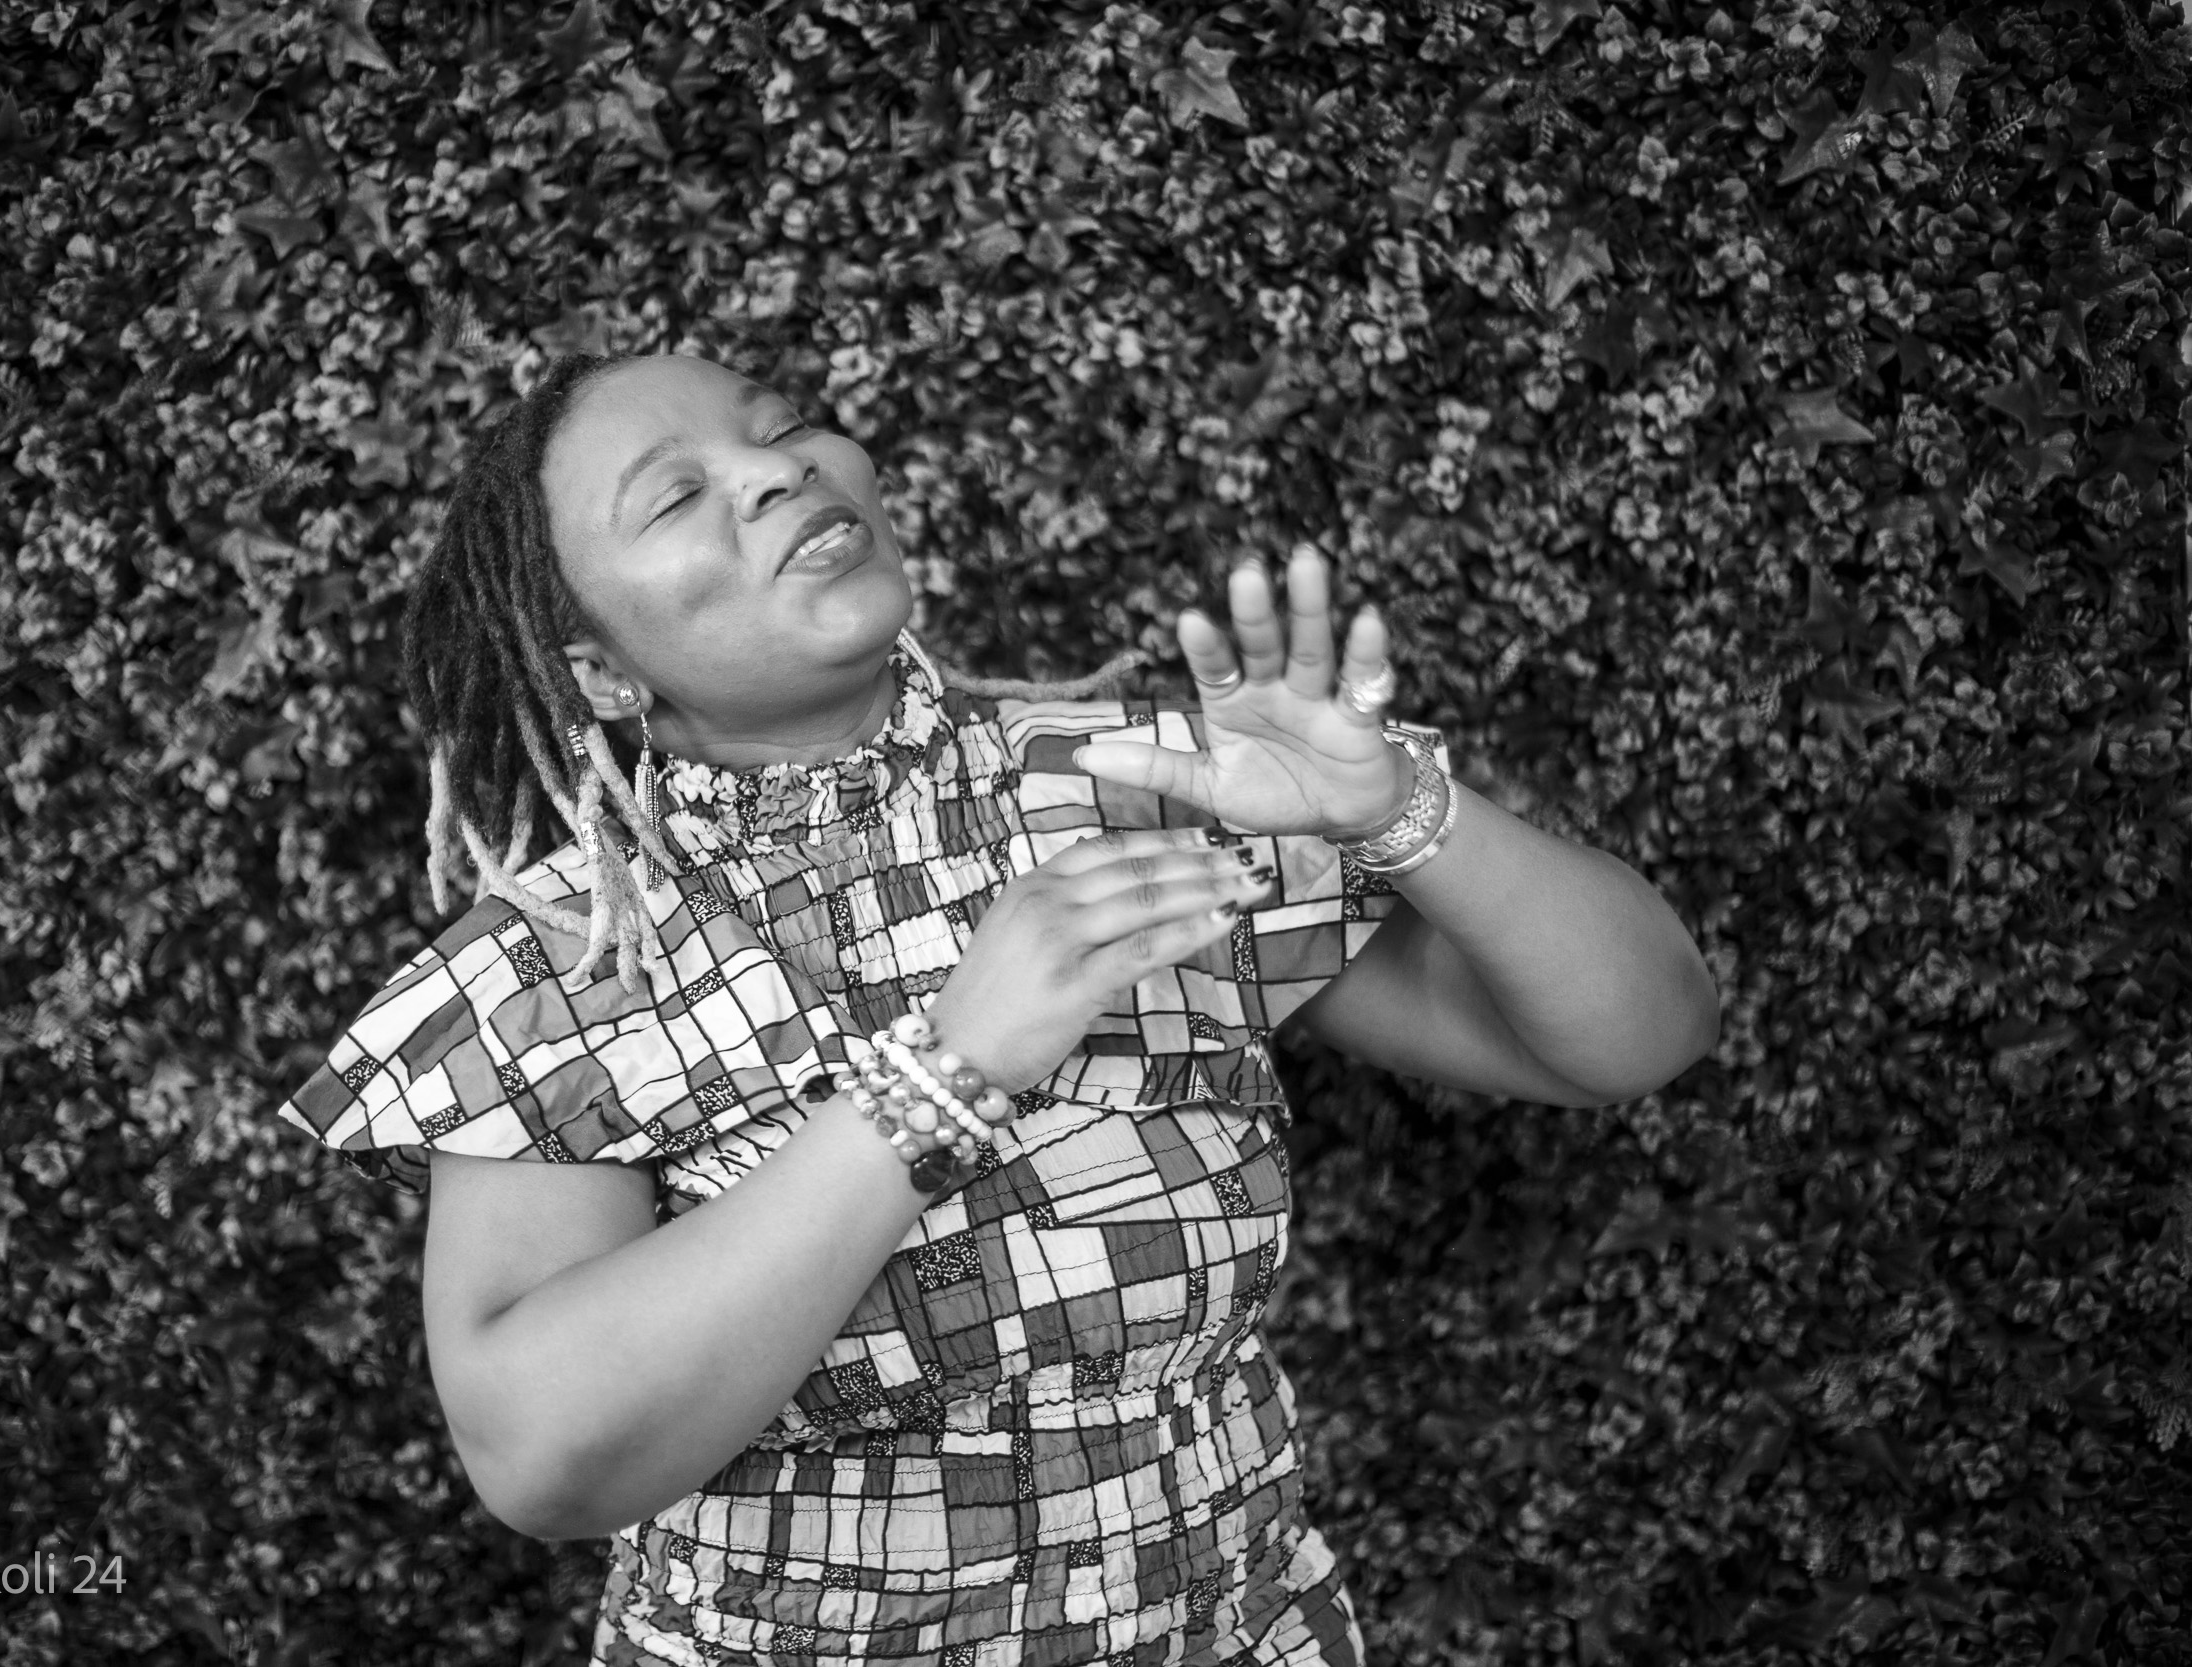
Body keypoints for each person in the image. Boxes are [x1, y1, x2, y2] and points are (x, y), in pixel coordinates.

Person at [276, 350, 1722, 1666]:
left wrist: (1403, 812)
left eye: (781, 430)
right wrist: (945, 1075)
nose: (780, 471)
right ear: (595, 667)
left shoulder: (1149, 791)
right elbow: (542, 1457)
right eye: (678, 499)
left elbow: (1636, 1033)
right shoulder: (569, 961)